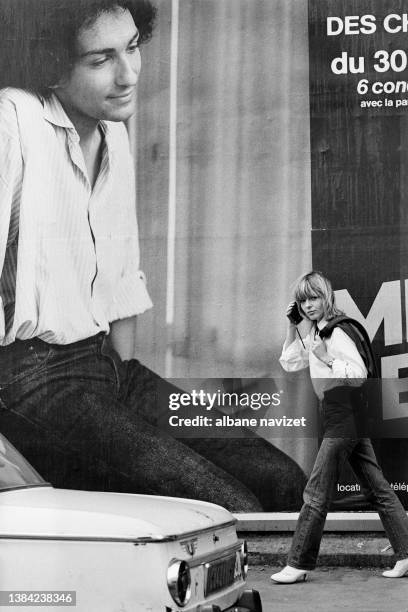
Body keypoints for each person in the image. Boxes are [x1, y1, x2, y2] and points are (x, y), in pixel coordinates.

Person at [0, 0, 306, 512]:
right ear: (50, 65)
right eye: (99, 60)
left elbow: (117, 286)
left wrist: (125, 399)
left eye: (133, 48)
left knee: (284, 481)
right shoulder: (12, 123)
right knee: (226, 505)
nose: (128, 76)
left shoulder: (112, 133)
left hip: (104, 368)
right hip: (28, 382)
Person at [271, 271, 408, 582]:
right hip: (341, 413)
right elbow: (290, 361)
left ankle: (299, 563)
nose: (307, 305)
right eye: (302, 300)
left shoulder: (336, 332)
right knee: (379, 489)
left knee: (316, 493)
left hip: (344, 412)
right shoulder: (318, 331)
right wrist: (293, 329)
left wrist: (327, 358)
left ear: (326, 297)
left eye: (313, 298)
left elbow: (357, 374)